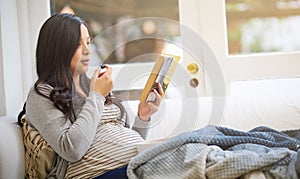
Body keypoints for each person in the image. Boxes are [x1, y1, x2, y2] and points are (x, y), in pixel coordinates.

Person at [21, 13, 163, 178]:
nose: (88, 50)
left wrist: (143, 117)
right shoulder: (41, 94)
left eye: (88, 42)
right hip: (98, 174)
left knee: (195, 150)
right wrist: (96, 95)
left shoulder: (92, 85)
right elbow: (71, 149)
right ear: (58, 49)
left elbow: (128, 140)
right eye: (78, 44)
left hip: (134, 165)